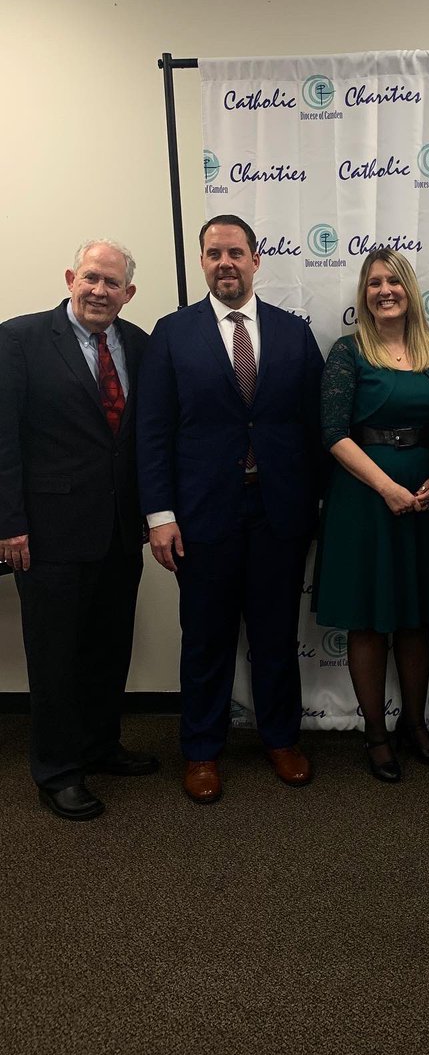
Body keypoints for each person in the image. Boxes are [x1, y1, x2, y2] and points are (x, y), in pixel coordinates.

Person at [137, 214, 325, 804]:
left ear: (255, 259)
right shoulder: (171, 333)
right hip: (201, 514)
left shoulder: (295, 333)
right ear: (201, 262)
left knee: (275, 634)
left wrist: (315, 503)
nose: (226, 263)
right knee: (206, 638)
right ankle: (200, 749)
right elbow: (153, 432)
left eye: (236, 252)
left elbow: (316, 427)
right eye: (214, 253)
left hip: (278, 512)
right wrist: (160, 515)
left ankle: (281, 739)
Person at [0, 239, 156, 820]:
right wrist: (9, 524)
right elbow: (4, 439)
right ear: (71, 277)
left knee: (108, 648)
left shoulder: (139, 346)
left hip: (119, 530)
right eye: (91, 277)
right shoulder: (19, 339)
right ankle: (57, 770)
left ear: (128, 293)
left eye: (112, 283)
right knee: (55, 656)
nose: (99, 291)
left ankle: (99, 745)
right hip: (48, 533)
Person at [312, 249, 429, 782]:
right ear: (363, 294)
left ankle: (416, 726)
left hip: (426, 499)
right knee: (370, 623)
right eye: (374, 283)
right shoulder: (348, 352)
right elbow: (333, 432)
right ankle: (376, 734)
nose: (384, 290)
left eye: (394, 281)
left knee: (416, 619)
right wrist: (387, 487)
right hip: (365, 499)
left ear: (410, 290)